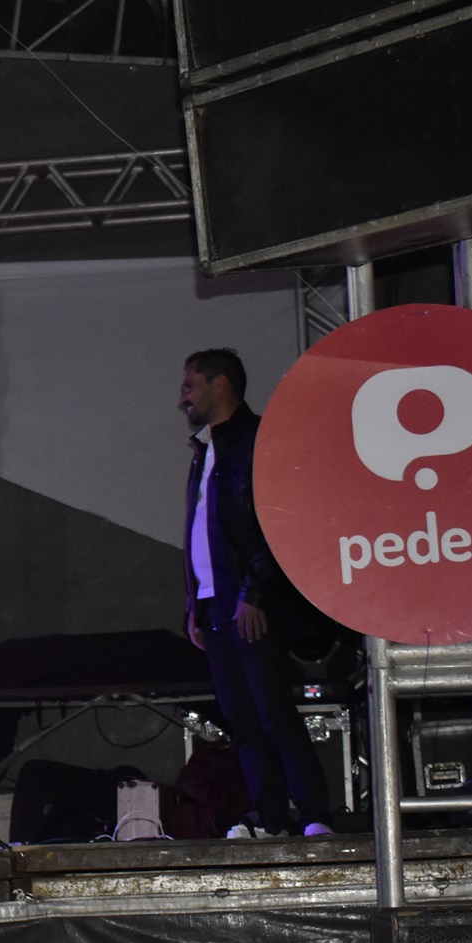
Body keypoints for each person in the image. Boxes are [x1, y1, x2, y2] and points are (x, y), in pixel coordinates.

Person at [179, 347, 333, 837]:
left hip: (249, 601)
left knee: (272, 711)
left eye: (190, 386)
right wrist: (195, 604)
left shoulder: (258, 441)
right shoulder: (206, 450)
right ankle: (270, 818)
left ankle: (315, 813)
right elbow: (201, 528)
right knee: (241, 718)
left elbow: (277, 525)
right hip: (214, 604)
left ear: (220, 384)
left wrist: (256, 592)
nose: (183, 398)